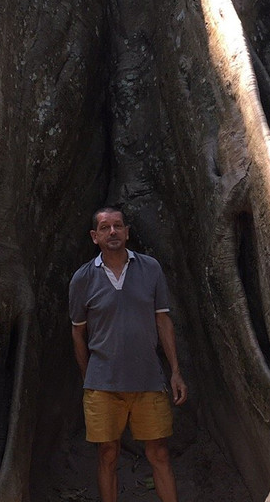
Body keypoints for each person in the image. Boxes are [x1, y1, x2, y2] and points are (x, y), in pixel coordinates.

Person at [68, 207, 188, 502]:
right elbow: (77, 333)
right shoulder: (82, 278)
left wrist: (175, 371)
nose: (113, 232)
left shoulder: (150, 268)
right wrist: (89, 377)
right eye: (106, 228)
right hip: (102, 385)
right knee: (108, 454)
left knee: (158, 452)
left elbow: (163, 320)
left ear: (127, 232)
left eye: (118, 226)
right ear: (95, 237)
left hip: (148, 379)